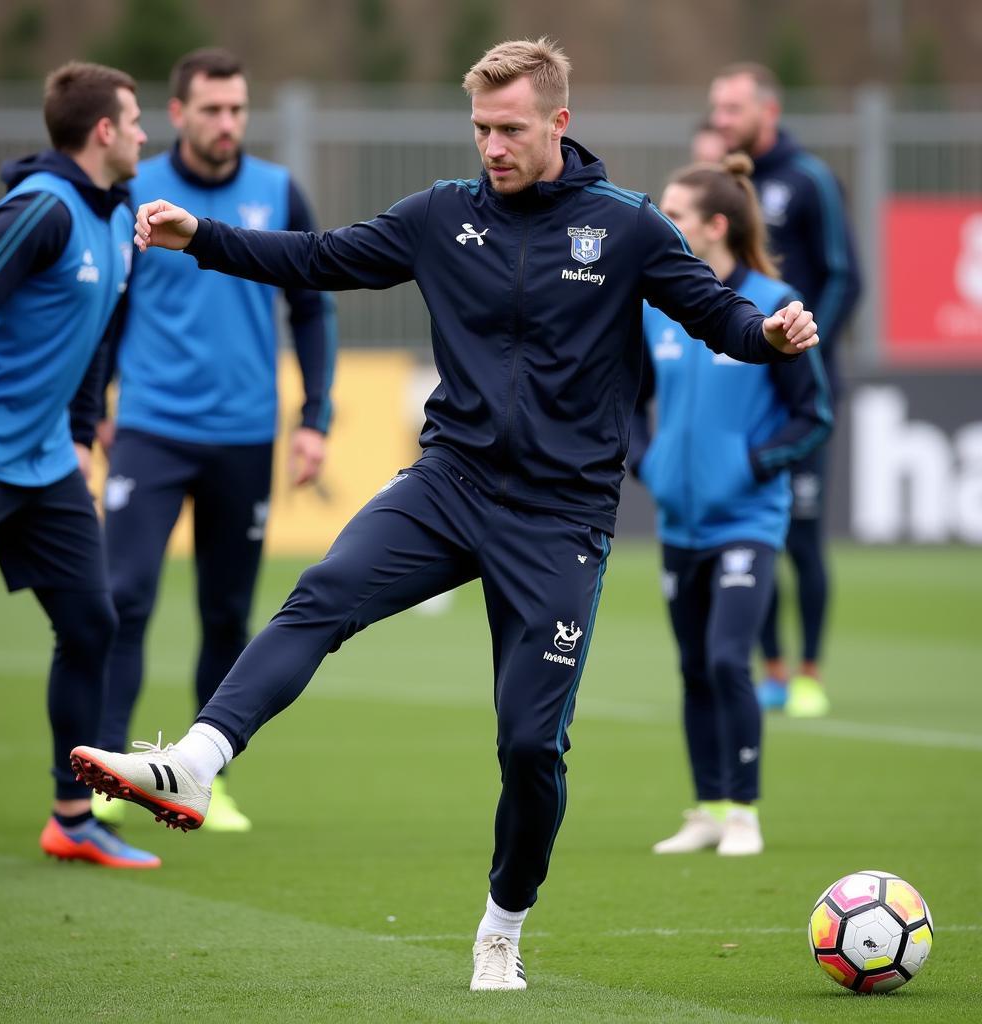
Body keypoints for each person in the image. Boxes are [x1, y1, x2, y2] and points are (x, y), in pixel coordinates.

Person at [71, 38, 819, 989]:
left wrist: (771, 333)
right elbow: (320, 258)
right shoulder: (439, 216)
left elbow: (718, 316)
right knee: (324, 592)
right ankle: (198, 758)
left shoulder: (627, 228)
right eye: (479, 129)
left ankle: (503, 922)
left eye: (509, 130)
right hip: (449, 483)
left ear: (559, 123)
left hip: (560, 519)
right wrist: (202, 239)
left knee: (529, 744)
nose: (492, 147)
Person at [94, 48, 337, 833]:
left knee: (228, 615)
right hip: (150, 430)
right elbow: (105, 300)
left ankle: (204, 774)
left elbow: (311, 308)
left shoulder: (277, 190)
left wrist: (316, 417)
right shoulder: (135, 191)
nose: (228, 123)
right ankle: (100, 778)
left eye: (237, 109)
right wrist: (92, 397)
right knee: (122, 599)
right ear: (179, 113)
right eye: (213, 110)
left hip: (242, 436)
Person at [0, 62, 160, 869]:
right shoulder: (40, 209)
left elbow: (97, 343)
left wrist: (80, 432)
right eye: (136, 119)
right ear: (103, 131)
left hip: (45, 464)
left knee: (92, 624)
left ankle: (71, 818)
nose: (147, 133)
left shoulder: (117, 220)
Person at [629, 154, 832, 857]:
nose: (662, 224)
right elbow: (628, 400)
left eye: (675, 214)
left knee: (725, 659)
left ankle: (744, 811)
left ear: (714, 227)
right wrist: (643, 457)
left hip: (747, 519)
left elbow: (814, 416)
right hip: (680, 522)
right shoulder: (660, 303)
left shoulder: (775, 303)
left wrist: (749, 464)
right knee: (691, 667)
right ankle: (708, 808)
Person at [709, 62, 861, 718]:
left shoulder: (809, 181)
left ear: (767, 112)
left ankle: (809, 672)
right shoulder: (725, 187)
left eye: (731, 109)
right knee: (748, 531)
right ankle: (769, 669)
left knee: (801, 535)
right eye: (715, 110)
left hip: (797, 390)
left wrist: (804, 348)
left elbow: (843, 276)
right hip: (740, 387)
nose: (720, 122)